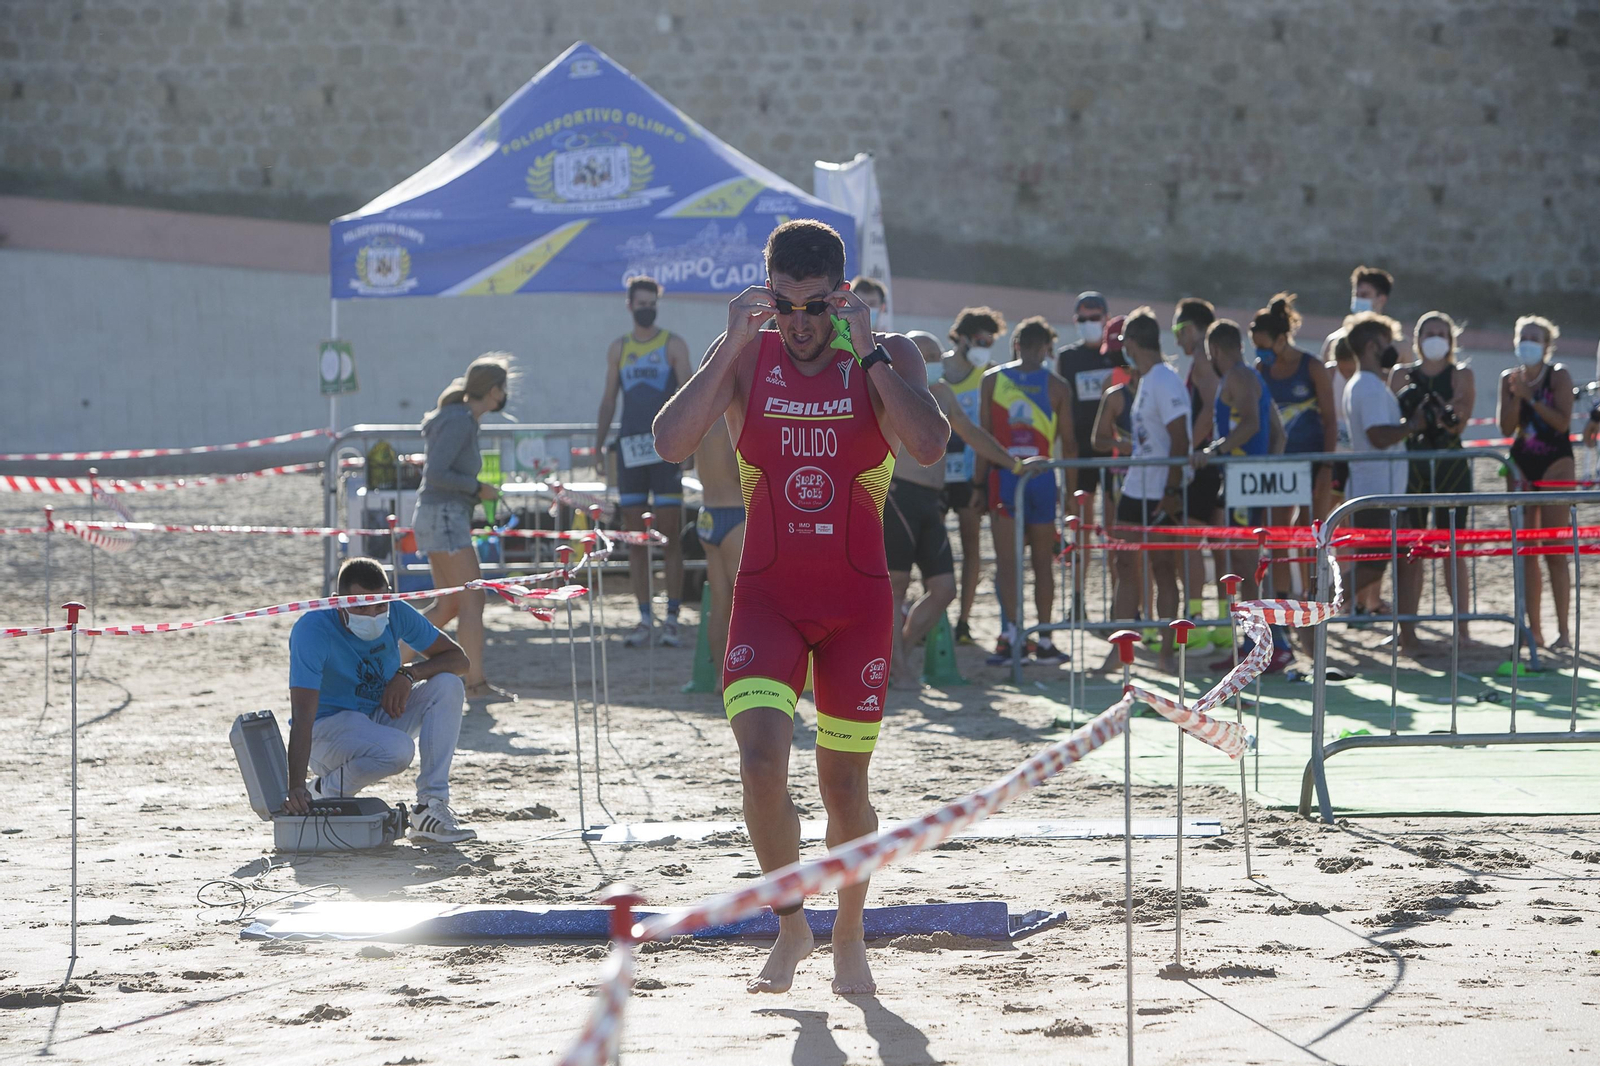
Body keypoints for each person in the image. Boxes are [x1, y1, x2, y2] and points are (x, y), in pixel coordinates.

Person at [652, 219, 948, 996]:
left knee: (843, 789)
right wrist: (726, 344)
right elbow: (670, 440)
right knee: (758, 767)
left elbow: (926, 445)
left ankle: (850, 933)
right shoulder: (749, 354)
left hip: (857, 604)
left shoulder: (889, 352)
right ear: (768, 293)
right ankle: (792, 926)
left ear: (841, 295)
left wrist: (872, 352)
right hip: (768, 599)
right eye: (785, 306)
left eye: (816, 307)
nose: (801, 324)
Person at [892, 332, 1046, 685]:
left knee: (945, 588)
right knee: (896, 585)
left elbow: (973, 434)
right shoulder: (890, 389)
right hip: (899, 495)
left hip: (934, 498)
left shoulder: (943, 393)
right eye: (923, 355)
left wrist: (1014, 463)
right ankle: (897, 668)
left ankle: (896, 651)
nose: (931, 363)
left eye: (935, 356)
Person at [286, 558, 476, 843]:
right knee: (400, 750)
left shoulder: (396, 611)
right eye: (361, 606)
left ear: (389, 594)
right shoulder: (312, 629)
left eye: (380, 605)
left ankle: (430, 806)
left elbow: (459, 660)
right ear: (339, 601)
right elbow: (302, 716)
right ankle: (321, 791)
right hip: (326, 731)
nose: (372, 614)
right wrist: (296, 786)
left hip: (376, 716)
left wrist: (409, 674)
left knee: (448, 684)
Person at [595, 276, 694, 648]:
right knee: (635, 539)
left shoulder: (673, 345)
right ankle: (643, 618)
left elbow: (689, 396)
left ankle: (671, 618)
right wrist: (598, 443)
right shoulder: (618, 348)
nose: (647, 308)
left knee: (669, 538)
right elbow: (608, 400)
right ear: (629, 305)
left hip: (666, 449)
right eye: (641, 302)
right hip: (630, 450)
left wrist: (692, 446)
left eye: (652, 302)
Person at [412, 353, 511, 699]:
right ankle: (476, 683)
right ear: (494, 391)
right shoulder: (460, 420)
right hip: (445, 517)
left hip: (437, 516)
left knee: (449, 606)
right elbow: (437, 473)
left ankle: (390, 661)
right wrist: (476, 488)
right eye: (503, 388)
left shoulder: (459, 417)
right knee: (472, 601)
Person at [1195, 319, 1291, 671]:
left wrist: (1216, 450)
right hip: (1247, 480)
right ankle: (1263, 643)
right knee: (1246, 561)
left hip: (1241, 480)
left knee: (1245, 564)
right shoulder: (1253, 377)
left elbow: (1251, 423)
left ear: (1216, 350)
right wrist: (1267, 471)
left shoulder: (1237, 376)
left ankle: (1267, 644)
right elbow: (1278, 434)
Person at [980, 316, 1076, 666]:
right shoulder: (1058, 386)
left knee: (1008, 564)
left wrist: (979, 485)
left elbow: (984, 437)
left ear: (1016, 343)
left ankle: (1011, 637)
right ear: (1046, 347)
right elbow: (1070, 443)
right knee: (1042, 565)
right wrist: (1071, 496)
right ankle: (1046, 640)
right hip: (1042, 476)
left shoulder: (992, 380)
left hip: (1005, 475)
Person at [1103, 307, 1189, 673]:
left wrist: (1171, 491)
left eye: (1125, 343)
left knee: (1164, 568)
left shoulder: (1165, 380)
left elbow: (1180, 439)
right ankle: (1119, 652)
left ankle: (1167, 656)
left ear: (1134, 343)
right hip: (1136, 486)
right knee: (1125, 566)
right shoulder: (1148, 378)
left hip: (1160, 489)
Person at [1253, 292, 1337, 643]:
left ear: (1281, 338)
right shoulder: (1260, 370)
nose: (1261, 353)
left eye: (1264, 345)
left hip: (1313, 461)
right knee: (1276, 535)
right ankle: (1281, 608)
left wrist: (1326, 469)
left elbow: (1330, 421)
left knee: (1310, 537)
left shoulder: (1311, 366)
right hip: (1278, 469)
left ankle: (1312, 609)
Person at [1389, 312, 1475, 645]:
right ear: (1417, 338)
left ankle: (1463, 628)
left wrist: (1443, 412)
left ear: (1451, 340)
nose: (1435, 338)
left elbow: (1459, 421)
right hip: (1411, 468)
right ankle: (1405, 629)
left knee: (1454, 549)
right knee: (1410, 550)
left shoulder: (1461, 373)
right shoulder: (1401, 374)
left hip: (1451, 467)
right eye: (1429, 333)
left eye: (1442, 333)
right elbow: (1397, 418)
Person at [1498, 315, 1575, 650]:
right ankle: (1535, 630)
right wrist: (1517, 395)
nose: (1528, 342)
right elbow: (1505, 427)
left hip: (1556, 461)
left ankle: (1564, 631)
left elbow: (1562, 422)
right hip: (1522, 463)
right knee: (1526, 551)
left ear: (1547, 344)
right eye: (1523, 336)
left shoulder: (1558, 375)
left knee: (1554, 551)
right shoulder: (1509, 378)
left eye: (1535, 337)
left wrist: (1531, 396)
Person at [1342, 313, 1415, 627]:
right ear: (1373, 345)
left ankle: (1407, 632)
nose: (1393, 350)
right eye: (1388, 343)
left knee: (1383, 562)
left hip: (1381, 491)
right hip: (1376, 492)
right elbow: (1378, 435)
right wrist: (1414, 425)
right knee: (1370, 567)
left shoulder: (1365, 384)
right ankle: (1313, 608)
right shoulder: (1369, 386)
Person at [941, 307, 1004, 646]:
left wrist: (982, 479)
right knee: (932, 549)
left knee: (971, 549)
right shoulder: (939, 367)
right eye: (980, 340)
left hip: (968, 473)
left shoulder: (989, 373)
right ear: (962, 338)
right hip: (935, 470)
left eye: (990, 342)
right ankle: (934, 620)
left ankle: (963, 622)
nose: (985, 347)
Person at [1055, 291, 1119, 611]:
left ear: (1106, 318)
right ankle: (1078, 598)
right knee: (1080, 528)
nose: (1090, 324)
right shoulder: (1068, 357)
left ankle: (1118, 598)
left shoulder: (1119, 355)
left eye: (1095, 318)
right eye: (1083, 319)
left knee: (1113, 529)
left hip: (1115, 453)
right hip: (1079, 452)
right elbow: (1059, 409)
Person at [1173, 297, 1224, 644]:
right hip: (1215, 462)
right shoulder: (1213, 360)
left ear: (1191, 329)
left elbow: (1211, 408)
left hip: (1204, 466)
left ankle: (1194, 622)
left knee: (1190, 543)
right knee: (1219, 546)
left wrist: (1190, 448)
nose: (1176, 339)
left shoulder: (1203, 362)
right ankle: (1221, 625)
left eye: (1178, 330)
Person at [693, 416, 746, 692]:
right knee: (746, 605)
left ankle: (719, 678)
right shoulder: (731, 417)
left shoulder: (704, 417)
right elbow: (736, 469)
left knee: (720, 604)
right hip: (736, 512)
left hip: (708, 513)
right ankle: (742, 674)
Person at [1320, 265, 1395, 362]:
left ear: (1382, 299)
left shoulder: (1397, 344)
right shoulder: (1334, 341)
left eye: (1364, 295)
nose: (1358, 300)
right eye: (1356, 295)